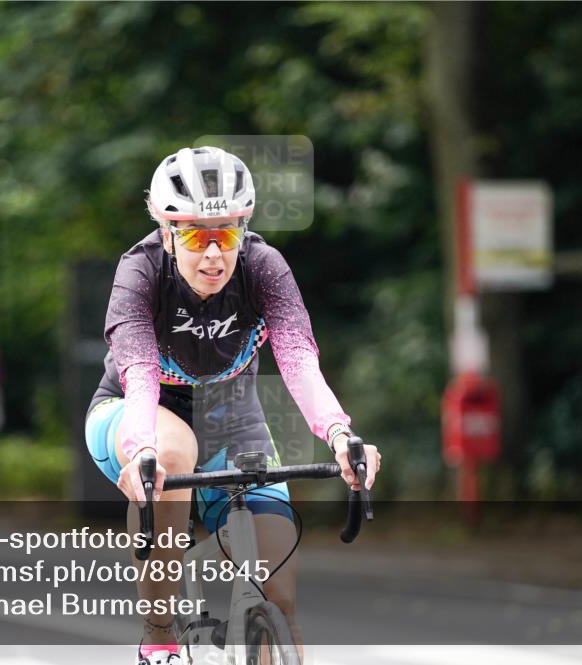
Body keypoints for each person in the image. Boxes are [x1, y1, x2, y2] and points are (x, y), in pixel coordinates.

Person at [84, 146, 381, 665]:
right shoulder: (140, 271)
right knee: (173, 450)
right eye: (195, 237)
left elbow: (298, 358)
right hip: (135, 413)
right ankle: (158, 639)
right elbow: (139, 373)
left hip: (231, 417)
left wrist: (340, 434)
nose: (213, 255)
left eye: (225, 236)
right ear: (166, 232)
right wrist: (142, 450)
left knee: (280, 596)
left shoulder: (263, 267)